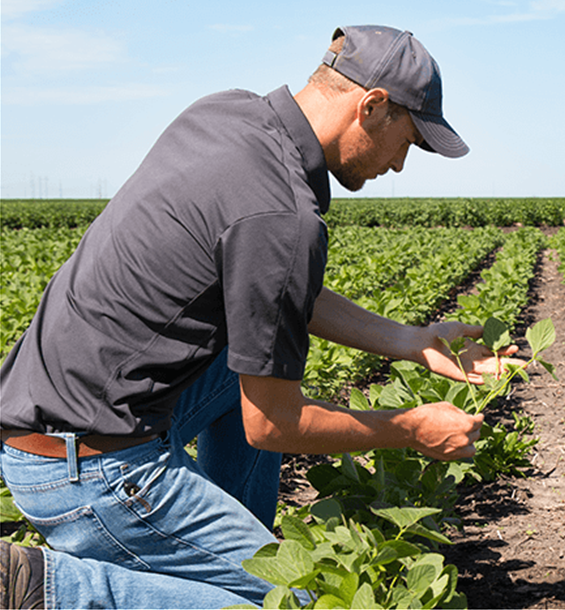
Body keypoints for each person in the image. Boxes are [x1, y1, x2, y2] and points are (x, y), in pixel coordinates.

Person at [0, 25, 514, 609]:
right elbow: (272, 426)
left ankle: (222, 549)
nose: (399, 164)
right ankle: (52, 588)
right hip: (91, 471)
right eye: (408, 140)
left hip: (48, 421)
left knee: (247, 359)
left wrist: (411, 340)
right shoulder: (283, 216)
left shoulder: (228, 114)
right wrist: (411, 429)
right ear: (372, 107)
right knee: (302, 601)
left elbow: (271, 294)